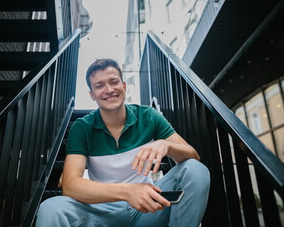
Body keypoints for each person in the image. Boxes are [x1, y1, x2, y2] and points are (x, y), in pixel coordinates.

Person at [35, 58, 210, 227]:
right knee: (51, 208)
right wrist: (128, 192)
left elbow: (192, 156)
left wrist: (166, 145)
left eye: (114, 82)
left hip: (147, 208)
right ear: (92, 95)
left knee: (196, 169)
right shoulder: (81, 128)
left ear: (124, 86)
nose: (109, 89)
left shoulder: (148, 116)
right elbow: (70, 185)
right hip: (102, 210)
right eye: (99, 85)